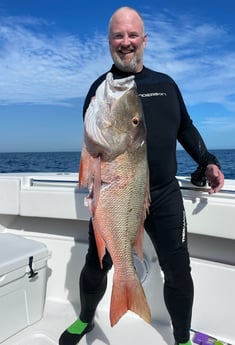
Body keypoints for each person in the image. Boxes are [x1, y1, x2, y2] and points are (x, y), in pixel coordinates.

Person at [59, 6, 224, 345]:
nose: (126, 42)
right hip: (115, 192)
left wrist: (207, 160)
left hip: (163, 193)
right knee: (97, 261)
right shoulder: (99, 90)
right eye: (118, 35)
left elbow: (185, 127)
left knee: (178, 271)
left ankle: (181, 339)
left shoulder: (165, 84)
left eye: (132, 35)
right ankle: (86, 319)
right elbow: (92, 147)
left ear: (144, 40)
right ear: (109, 42)